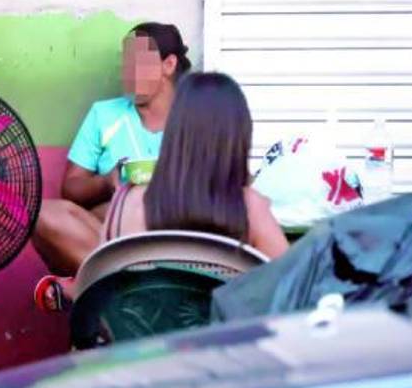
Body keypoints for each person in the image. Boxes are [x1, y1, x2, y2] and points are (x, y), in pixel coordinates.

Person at [42, 72, 289, 307]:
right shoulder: (251, 208)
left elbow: (108, 284)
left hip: (138, 334)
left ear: (174, 130)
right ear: (239, 136)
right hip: (223, 335)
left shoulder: (128, 203)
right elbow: (291, 286)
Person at [32, 22, 190, 309]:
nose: (127, 72)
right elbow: (71, 187)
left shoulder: (196, 119)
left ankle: (96, 289)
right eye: (125, 63)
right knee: (41, 214)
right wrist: (107, 183)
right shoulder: (104, 115)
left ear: (168, 64)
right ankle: (136, 290)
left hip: (176, 246)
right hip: (109, 242)